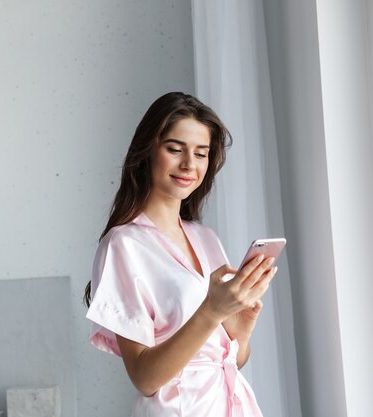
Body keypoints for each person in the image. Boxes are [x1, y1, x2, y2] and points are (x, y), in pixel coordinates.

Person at [83, 92, 276, 417]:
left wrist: (241, 336)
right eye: (175, 149)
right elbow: (144, 378)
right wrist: (211, 312)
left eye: (201, 153)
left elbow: (227, 361)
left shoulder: (206, 239)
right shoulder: (124, 244)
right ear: (147, 151)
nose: (189, 164)